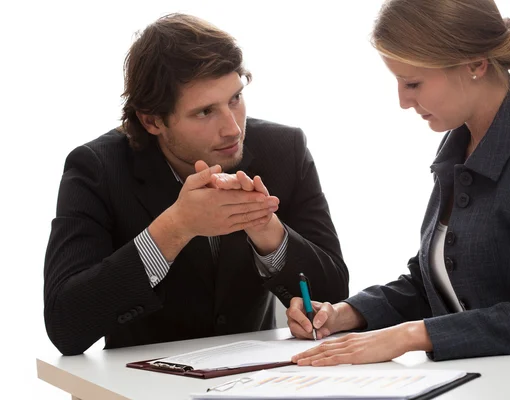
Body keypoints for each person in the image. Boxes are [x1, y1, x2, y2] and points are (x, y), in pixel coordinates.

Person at [287, 0, 510, 365]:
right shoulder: (460, 144)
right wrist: (348, 313)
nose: (403, 101)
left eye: (413, 83)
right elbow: (436, 283)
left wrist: (410, 335)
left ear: (475, 65)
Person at [44, 13, 349, 356]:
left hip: (257, 380)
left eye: (235, 98)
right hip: (138, 385)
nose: (233, 129)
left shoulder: (284, 150)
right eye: (205, 112)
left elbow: (335, 298)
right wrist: (175, 228)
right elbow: (64, 325)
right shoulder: (96, 168)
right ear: (152, 119)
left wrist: (266, 228)